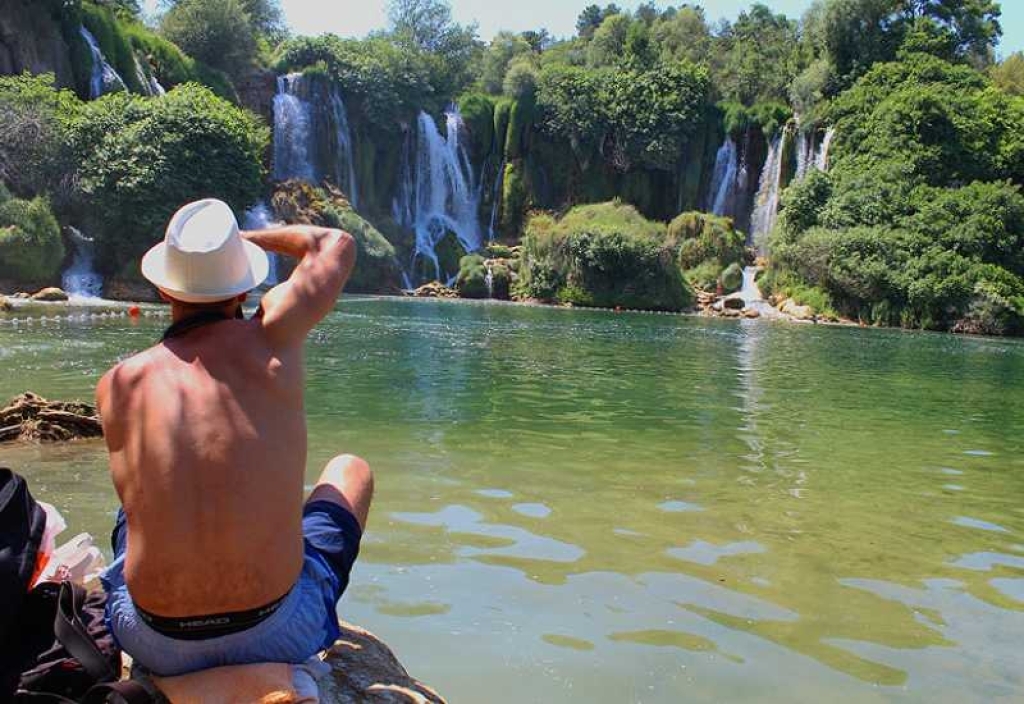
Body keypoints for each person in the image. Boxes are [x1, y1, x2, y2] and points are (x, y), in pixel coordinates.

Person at [97, 198, 373, 676]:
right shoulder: (274, 337)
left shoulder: (118, 383)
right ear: (243, 285)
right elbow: (336, 243)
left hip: (153, 640)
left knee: (138, 499)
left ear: (164, 289)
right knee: (351, 469)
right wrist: (243, 239)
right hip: (278, 631)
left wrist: (204, 253)